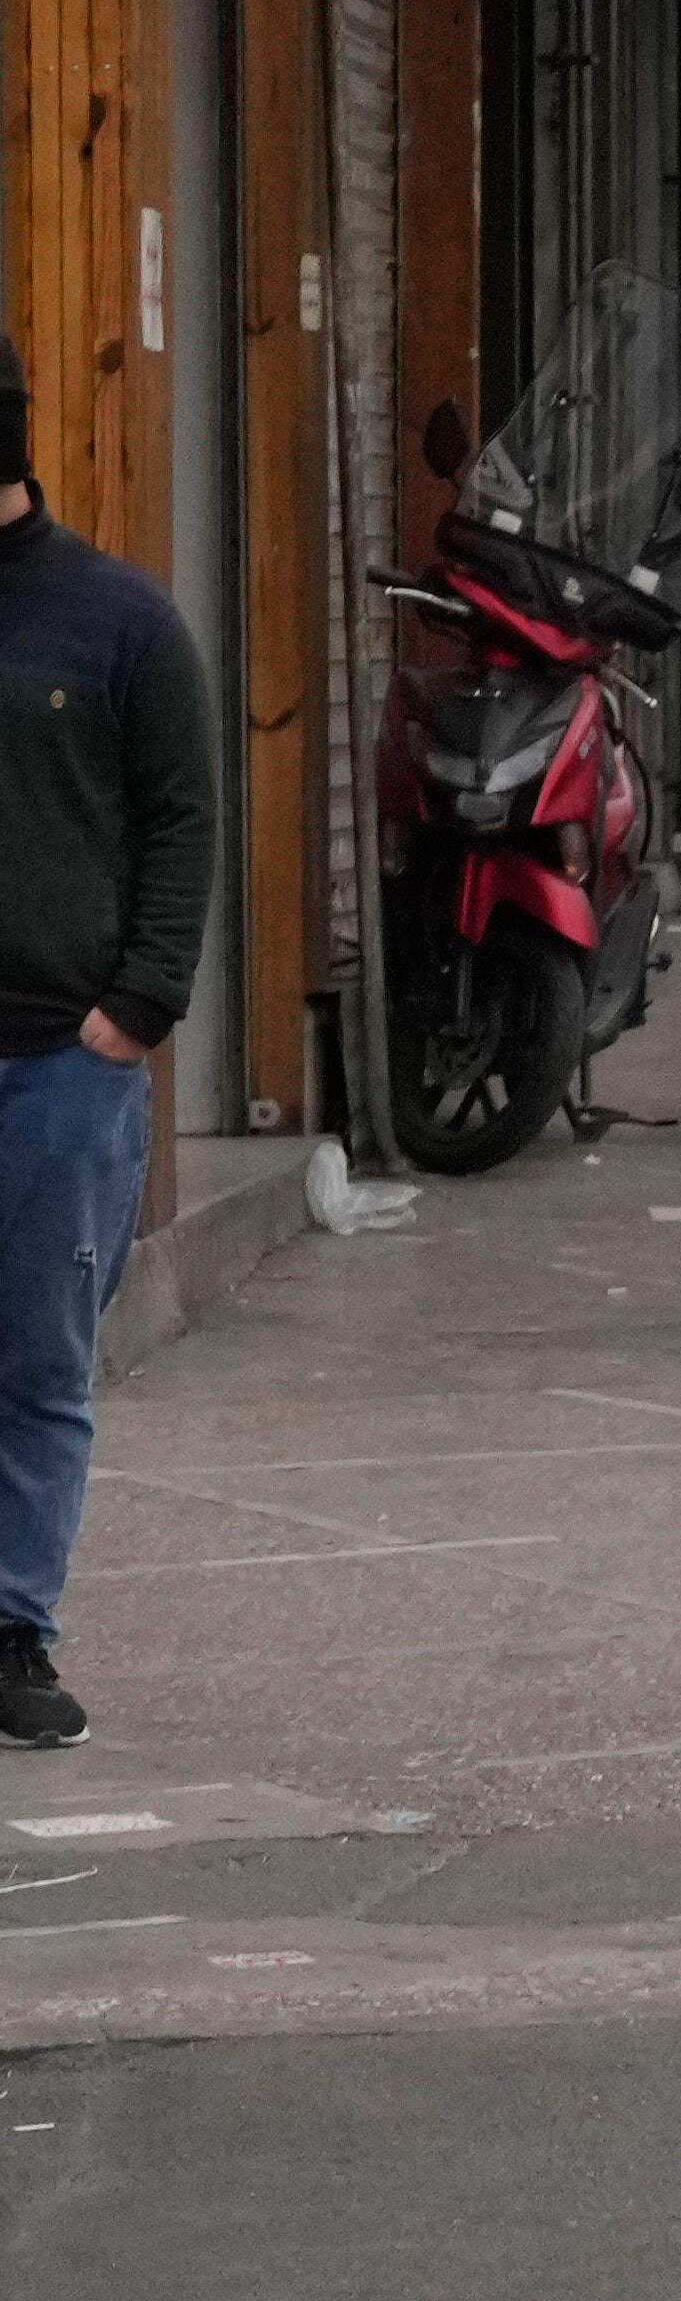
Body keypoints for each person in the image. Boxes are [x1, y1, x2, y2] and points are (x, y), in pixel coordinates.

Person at [0, 333, 210, 1755]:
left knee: (36, 1359)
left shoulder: (117, 620)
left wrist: (133, 1013)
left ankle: (13, 1629)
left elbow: (183, 819)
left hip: (58, 1064)